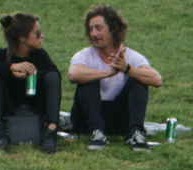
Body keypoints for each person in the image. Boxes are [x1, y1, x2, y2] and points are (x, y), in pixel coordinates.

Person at [68, 5, 161, 152]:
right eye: (90, 29)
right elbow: (73, 74)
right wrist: (107, 73)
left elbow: (157, 80)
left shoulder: (132, 57)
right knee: (86, 81)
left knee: (138, 79)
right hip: (86, 119)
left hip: (118, 120)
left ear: (113, 29)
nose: (93, 33)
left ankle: (135, 133)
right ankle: (97, 133)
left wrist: (127, 69)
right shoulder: (84, 55)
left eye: (98, 28)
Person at [0, 13, 61, 153]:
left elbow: (54, 78)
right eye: (37, 34)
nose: (42, 36)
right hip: (8, 108)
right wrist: (10, 68)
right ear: (22, 38)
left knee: (53, 76)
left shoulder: (40, 55)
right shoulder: (2, 55)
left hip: (35, 107)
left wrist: (32, 73)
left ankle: (51, 131)